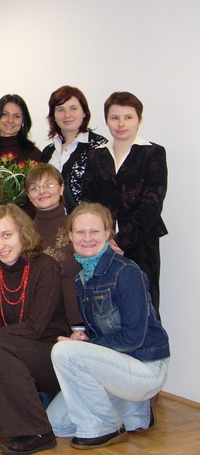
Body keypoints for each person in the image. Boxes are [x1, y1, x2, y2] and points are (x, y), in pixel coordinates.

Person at [46, 203, 170, 449]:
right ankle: (134, 409)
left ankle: (104, 428)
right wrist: (85, 337)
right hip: (116, 367)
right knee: (56, 425)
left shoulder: (126, 272)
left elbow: (133, 337)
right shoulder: (82, 277)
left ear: (107, 233)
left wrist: (87, 346)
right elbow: (101, 330)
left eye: (94, 231)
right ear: (70, 236)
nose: (87, 238)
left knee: (63, 351)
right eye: (80, 232)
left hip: (144, 366)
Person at [0, 204, 70, 455]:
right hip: (9, 356)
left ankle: (38, 433)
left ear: (23, 232)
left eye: (7, 235)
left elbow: (34, 328)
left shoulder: (46, 267)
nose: (0, 245)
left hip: (50, 357)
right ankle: (34, 409)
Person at [82, 91, 167, 314]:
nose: (121, 124)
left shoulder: (153, 153)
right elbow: (88, 202)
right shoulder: (96, 155)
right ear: (106, 120)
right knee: (106, 309)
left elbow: (152, 202)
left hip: (141, 243)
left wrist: (121, 240)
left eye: (128, 117)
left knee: (143, 307)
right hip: (101, 244)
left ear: (139, 119)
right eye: (114, 117)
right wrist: (103, 238)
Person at [25, 163, 81, 325]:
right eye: (34, 188)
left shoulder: (78, 226)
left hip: (75, 318)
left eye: (49, 185)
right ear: (28, 195)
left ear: (62, 188)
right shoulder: (24, 232)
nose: (42, 191)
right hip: (36, 319)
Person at [40, 86, 107, 211]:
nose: (67, 115)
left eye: (73, 108)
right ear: (53, 115)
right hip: (52, 220)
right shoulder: (48, 151)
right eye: (60, 109)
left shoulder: (99, 147)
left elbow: (107, 193)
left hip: (88, 221)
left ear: (84, 112)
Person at [0, 94, 42, 164]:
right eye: (5, 114)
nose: (10, 120)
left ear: (23, 121)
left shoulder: (34, 155)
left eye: (16, 116)